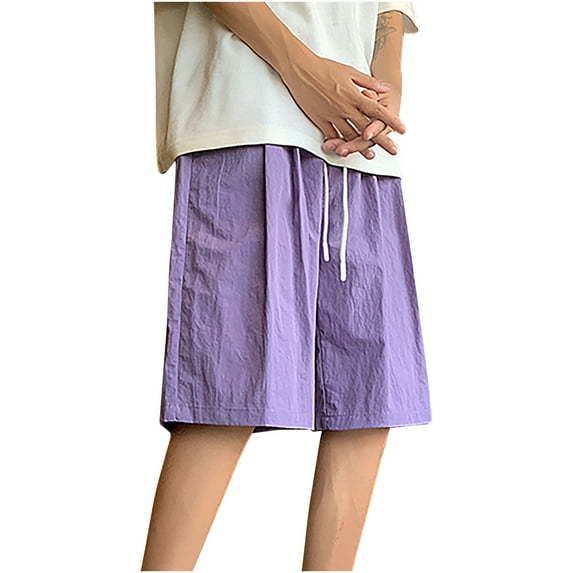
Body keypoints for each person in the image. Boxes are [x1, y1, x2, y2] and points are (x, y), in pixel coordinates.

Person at [142, 2, 431, 570]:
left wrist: (386, 91)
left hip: (360, 142)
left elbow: (390, 10)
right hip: (253, 111)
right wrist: (303, 69)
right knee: (227, 386)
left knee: (368, 393)